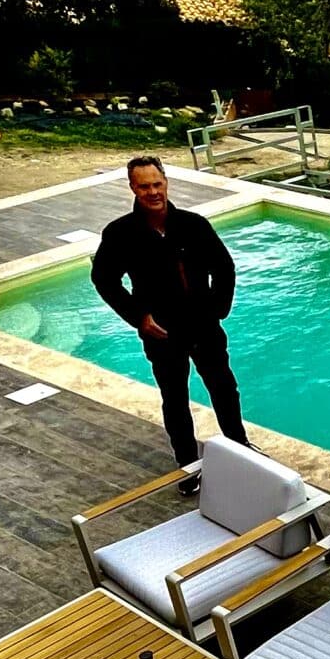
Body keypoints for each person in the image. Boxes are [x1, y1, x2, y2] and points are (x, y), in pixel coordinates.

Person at [91, 156, 249, 487]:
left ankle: (241, 449)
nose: (152, 192)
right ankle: (188, 465)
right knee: (175, 399)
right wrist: (139, 317)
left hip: (204, 326)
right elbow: (104, 279)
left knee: (224, 388)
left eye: (157, 184)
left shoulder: (194, 225)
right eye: (144, 186)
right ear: (132, 188)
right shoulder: (120, 233)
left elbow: (224, 267)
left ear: (166, 183)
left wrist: (218, 309)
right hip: (161, 332)